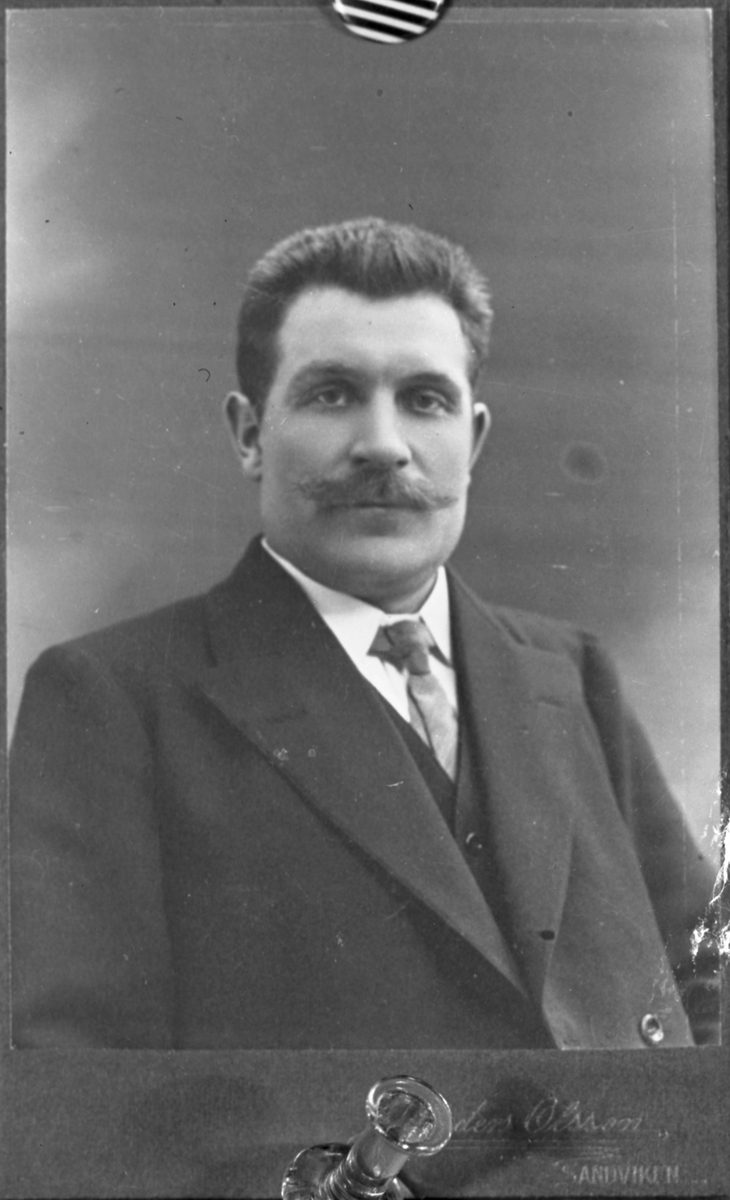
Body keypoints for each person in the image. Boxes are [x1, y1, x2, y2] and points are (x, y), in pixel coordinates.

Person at [10, 217, 719, 1051]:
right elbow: (80, 1072)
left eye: (425, 400)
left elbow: (707, 986)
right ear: (249, 433)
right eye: (332, 394)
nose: (383, 446)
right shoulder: (112, 699)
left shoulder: (573, 675)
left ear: (473, 440)